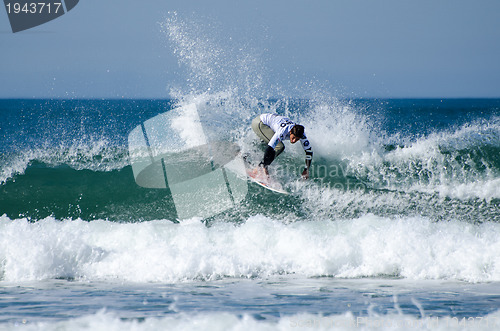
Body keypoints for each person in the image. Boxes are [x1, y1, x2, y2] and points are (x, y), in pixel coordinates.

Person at [251, 113, 313, 179]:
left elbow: (309, 152)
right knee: (279, 146)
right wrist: (264, 167)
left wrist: (306, 170)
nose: (294, 140)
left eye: (297, 139)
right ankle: (260, 168)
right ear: (290, 132)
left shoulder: (302, 135)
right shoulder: (282, 131)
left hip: (269, 123)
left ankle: (247, 154)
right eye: (293, 137)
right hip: (260, 123)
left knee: (267, 142)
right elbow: (270, 148)